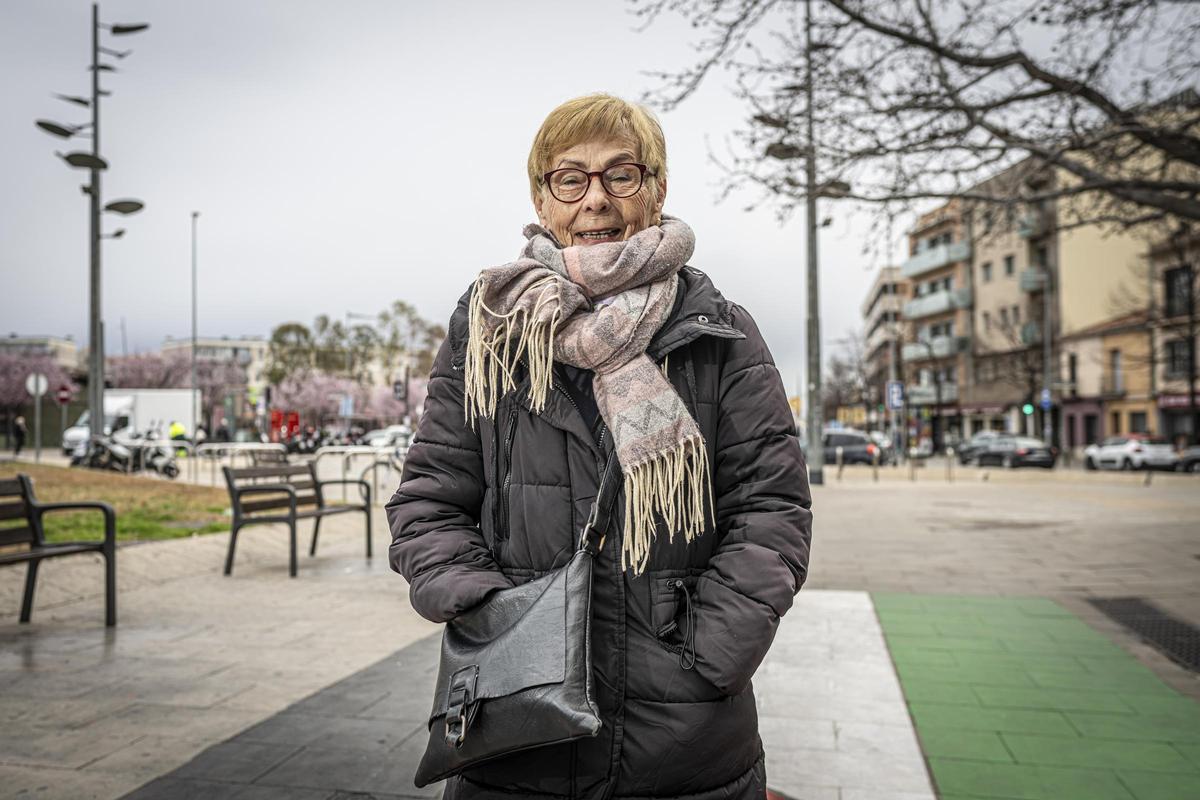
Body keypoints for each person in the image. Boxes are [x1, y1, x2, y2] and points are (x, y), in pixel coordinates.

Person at [386, 94, 812, 800]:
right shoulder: (489, 332)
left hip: (685, 744)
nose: (597, 201)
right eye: (571, 178)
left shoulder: (721, 333)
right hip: (515, 737)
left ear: (656, 190)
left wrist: (708, 657)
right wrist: (498, 620)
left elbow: (772, 512)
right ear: (542, 198)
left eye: (621, 174)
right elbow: (428, 502)